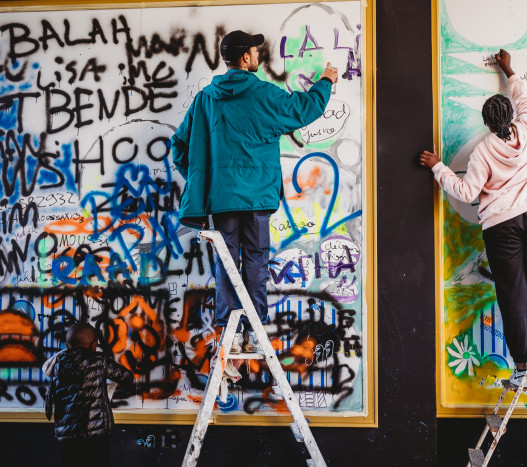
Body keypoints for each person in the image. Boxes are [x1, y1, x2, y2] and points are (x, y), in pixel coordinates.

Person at [171, 30, 338, 353]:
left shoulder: (206, 99)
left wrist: (199, 181)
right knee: (256, 261)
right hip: (258, 198)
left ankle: (228, 332)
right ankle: (255, 328)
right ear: (245, 58)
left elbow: (179, 146)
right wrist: (326, 81)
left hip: (221, 201)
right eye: (254, 50)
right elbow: (303, 110)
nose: (258, 55)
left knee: (226, 263)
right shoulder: (263, 94)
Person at [420, 49, 527, 388]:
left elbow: (466, 193)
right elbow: (524, 97)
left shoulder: (483, 151)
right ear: (511, 114)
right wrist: (509, 70)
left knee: (513, 293)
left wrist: (438, 166)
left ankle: (523, 367)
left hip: (502, 227)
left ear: (486, 123)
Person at [43, 322, 134, 467]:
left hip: (67, 439)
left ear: (67, 345)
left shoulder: (57, 365)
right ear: (93, 344)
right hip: (95, 437)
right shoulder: (99, 361)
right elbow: (127, 377)